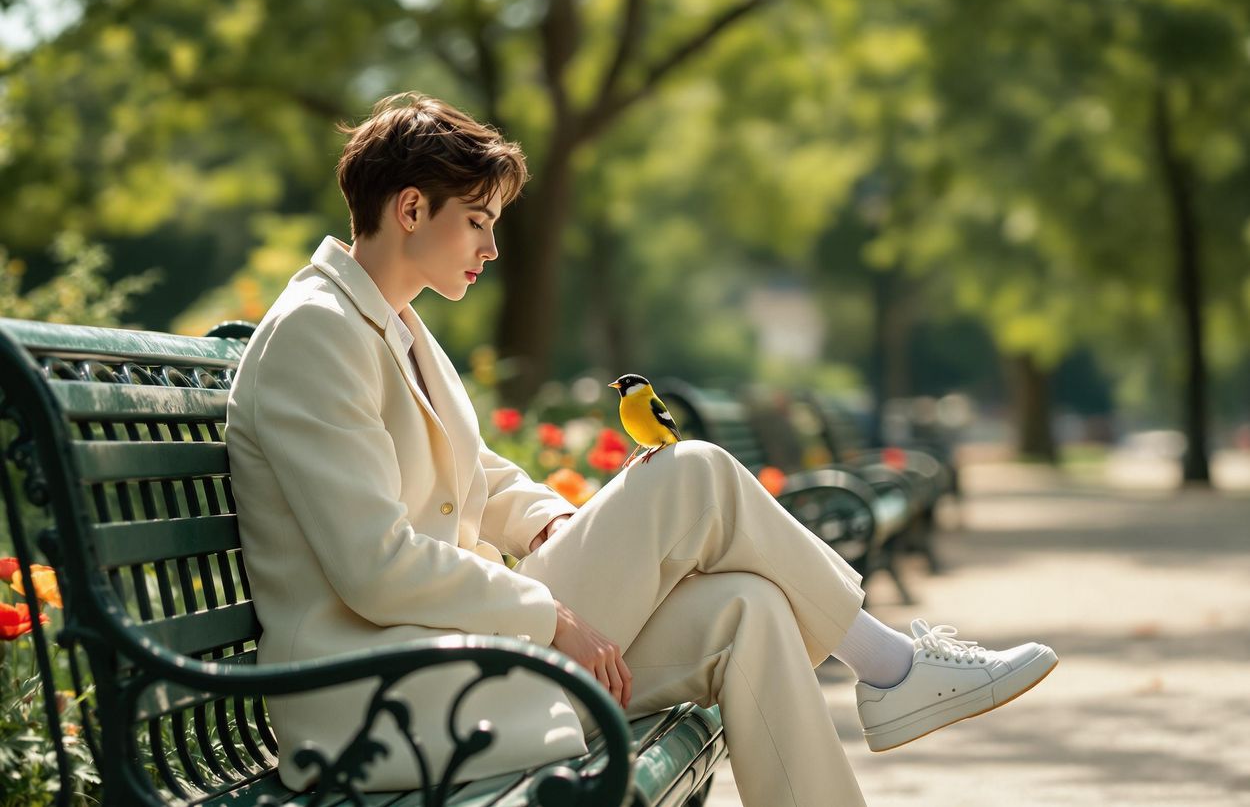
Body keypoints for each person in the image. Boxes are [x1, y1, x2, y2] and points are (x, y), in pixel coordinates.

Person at [225, 92, 1057, 807]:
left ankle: (891, 676)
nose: (491, 248)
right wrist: (548, 615)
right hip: (381, 702)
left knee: (749, 610)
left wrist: (550, 525)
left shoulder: (394, 324)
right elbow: (374, 564)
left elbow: (479, 473)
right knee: (689, 470)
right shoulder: (318, 334)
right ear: (410, 210)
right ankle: (891, 667)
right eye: (477, 222)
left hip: (454, 664)